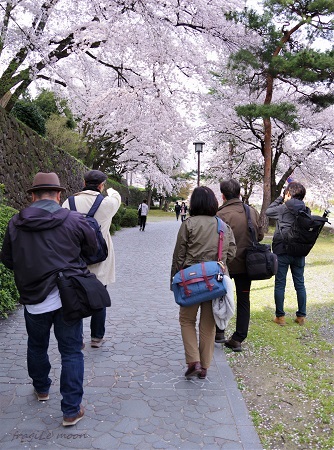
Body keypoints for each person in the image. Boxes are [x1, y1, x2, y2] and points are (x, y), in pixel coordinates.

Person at [0, 172, 98, 426]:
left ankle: (42, 388)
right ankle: (70, 410)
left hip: (33, 296)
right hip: (68, 296)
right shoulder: (76, 220)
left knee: (36, 345)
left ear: (32, 196)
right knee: (71, 351)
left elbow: (8, 260)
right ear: (58, 195)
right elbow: (92, 252)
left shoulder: (15, 223)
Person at [171, 186, 236, 379]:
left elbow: (179, 256)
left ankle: (193, 360)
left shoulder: (188, 224)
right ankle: (205, 366)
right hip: (215, 282)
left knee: (186, 320)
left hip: (191, 281)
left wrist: (174, 280)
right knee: (209, 324)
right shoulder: (223, 226)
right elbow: (231, 253)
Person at [62, 170, 121, 348]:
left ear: (83, 182)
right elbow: (116, 196)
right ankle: (96, 338)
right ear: (101, 185)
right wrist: (109, 190)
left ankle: (77, 338)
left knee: (75, 297)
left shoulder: (68, 202)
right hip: (99, 257)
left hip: (75, 257)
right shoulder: (107, 203)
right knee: (99, 295)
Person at [216, 179, 264, 352]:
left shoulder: (220, 214)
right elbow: (259, 236)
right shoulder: (251, 211)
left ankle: (219, 331)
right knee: (244, 299)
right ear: (239, 194)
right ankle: (238, 338)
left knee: (220, 297)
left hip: (225, 264)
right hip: (246, 264)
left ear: (223, 195)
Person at [266, 181, 308, 326]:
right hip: (299, 251)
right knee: (300, 284)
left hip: (282, 250)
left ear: (288, 193)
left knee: (280, 284)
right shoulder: (306, 209)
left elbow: (268, 211)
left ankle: (280, 317)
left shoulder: (283, 208)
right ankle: (301, 316)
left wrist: (280, 198)